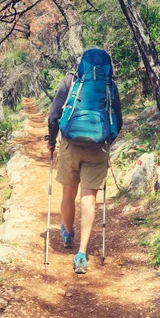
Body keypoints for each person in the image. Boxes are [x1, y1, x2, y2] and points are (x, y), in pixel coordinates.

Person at [47, 48, 123, 274]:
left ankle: (68, 233)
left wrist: (51, 142)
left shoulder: (70, 81)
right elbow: (117, 122)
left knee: (68, 194)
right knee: (88, 199)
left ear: (82, 65)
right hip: (98, 148)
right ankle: (81, 254)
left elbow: (53, 118)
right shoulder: (110, 86)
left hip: (70, 145)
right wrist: (107, 142)